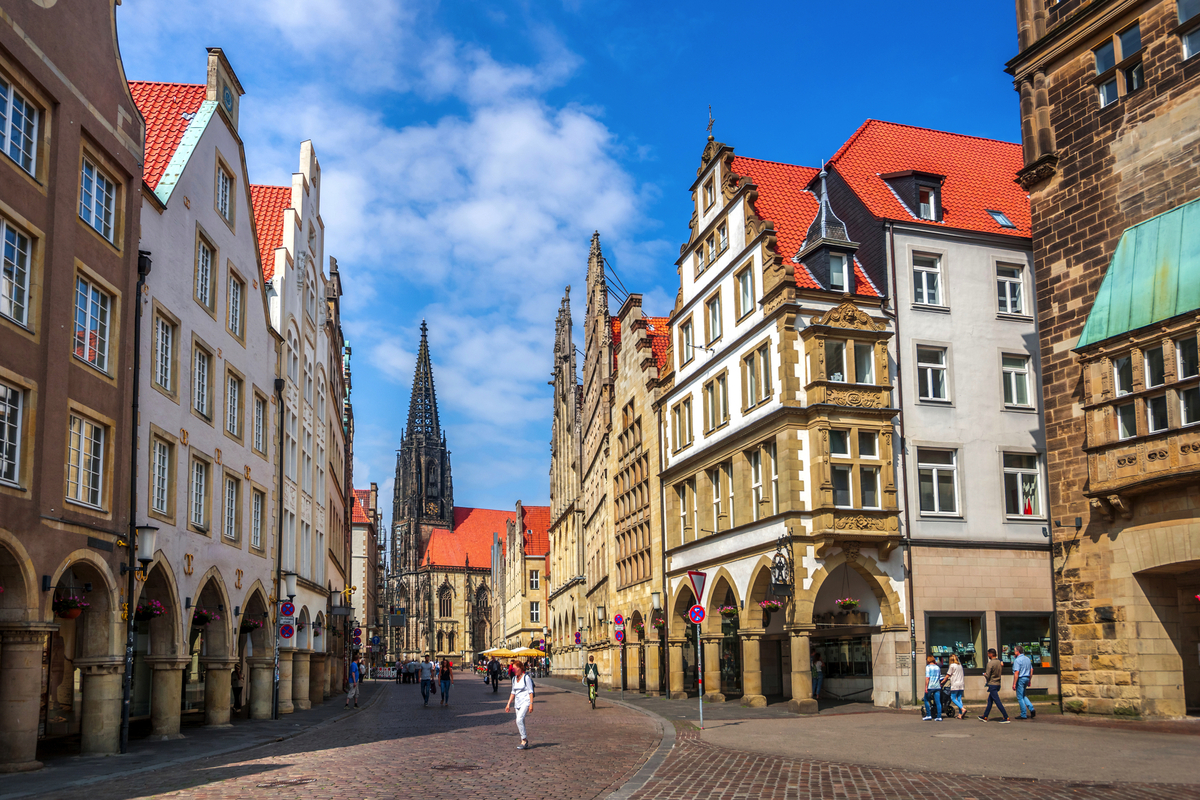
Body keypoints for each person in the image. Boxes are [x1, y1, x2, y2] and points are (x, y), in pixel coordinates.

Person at [504, 660, 535, 750]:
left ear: (520, 668)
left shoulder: (526, 678)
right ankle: (524, 741)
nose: (513, 670)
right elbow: (513, 692)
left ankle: (524, 740)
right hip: (517, 703)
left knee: (518, 720)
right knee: (521, 721)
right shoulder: (514, 679)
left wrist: (531, 704)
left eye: (515, 668)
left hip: (525, 702)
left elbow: (530, 692)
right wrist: (508, 704)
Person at [978, 648, 1011, 723]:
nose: (988, 655)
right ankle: (985, 716)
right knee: (990, 701)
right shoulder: (999, 662)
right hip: (998, 683)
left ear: (990, 654)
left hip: (992, 683)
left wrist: (985, 675)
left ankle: (1006, 717)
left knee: (997, 701)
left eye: (988, 654)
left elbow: (988, 675)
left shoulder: (990, 663)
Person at [1012, 646, 1035, 719]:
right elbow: (1031, 670)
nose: (1014, 652)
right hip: (1027, 678)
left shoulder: (1017, 660)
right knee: (1023, 695)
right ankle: (1031, 708)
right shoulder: (1027, 659)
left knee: (1019, 697)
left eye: (1015, 650)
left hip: (1021, 678)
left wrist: (1014, 683)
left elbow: (1017, 672)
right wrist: (1030, 680)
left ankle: (1023, 714)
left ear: (1018, 651)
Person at [922, 655, 943, 721]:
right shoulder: (938, 667)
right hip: (937, 686)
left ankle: (928, 715)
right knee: (938, 702)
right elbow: (939, 677)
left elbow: (927, 677)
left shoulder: (928, 667)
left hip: (930, 686)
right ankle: (939, 716)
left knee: (926, 699)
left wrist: (926, 687)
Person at [947, 654, 966, 719]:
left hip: (955, 684)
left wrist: (943, 681)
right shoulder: (960, 665)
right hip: (961, 683)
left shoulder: (952, 665)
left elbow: (948, 674)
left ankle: (962, 709)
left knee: (953, 698)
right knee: (959, 698)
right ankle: (960, 714)